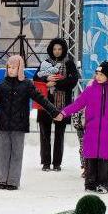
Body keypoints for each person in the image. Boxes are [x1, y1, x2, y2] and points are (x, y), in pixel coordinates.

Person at [0, 55, 58, 191]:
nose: (11, 70)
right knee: (3, 154)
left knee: (16, 154)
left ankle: (13, 181)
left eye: (14, 67)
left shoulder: (27, 84)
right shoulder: (3, 84)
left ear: (20, 68)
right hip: (4, 125)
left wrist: (54, 111)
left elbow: (41, 99)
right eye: (9, 67)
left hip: (19, 126)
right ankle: (2, 180)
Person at [57, 61, 108, 194]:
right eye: (97, 73)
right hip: (92, 130)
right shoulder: (90, 90)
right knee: (90, 157)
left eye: (101, 74)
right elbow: (78, 104)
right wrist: (63, 112)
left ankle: (103, 184)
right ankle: (90, 183)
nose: (98, 76)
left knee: (105, 159)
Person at [34, 38, 80, 172]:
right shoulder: (45, 63)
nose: (57, 51)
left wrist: (56, 83)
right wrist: (46, 80)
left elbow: (73, 81)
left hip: (62, 104)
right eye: (54, 49)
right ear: (51, 50)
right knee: (44, 134)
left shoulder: (69, 63)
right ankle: (46, 162)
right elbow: (36, 78)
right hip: (45, 103)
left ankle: (57, 163)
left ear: (64, 50)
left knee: (59, 134)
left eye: (59, 49)